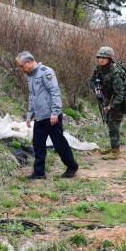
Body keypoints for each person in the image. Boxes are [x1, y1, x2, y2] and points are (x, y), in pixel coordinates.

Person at [15, 51, 78, 179]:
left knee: (59, 143)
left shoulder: (45, 72)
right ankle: (39, 172)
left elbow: (55, 92)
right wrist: (29, 115)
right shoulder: (30, 76)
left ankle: (72, 166)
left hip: (51, 117)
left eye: (22, 66)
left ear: (28, 62)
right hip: (39, 117)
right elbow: (32, 97)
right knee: (38, 144)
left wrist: (55, 112)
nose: (21, 69)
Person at [90, 46, 126, 158]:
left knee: (114, 125)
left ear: (109, 58)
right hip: (105, 100)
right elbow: (92, 81)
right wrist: (96, 88)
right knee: (109, 123)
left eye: (104, 57)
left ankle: (116, 152)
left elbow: (120, 93)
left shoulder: (116, 72)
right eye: (99, 57)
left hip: (117, 102)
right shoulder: (99, 69)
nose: (101, 60)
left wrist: (111, 106)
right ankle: (113, 147)